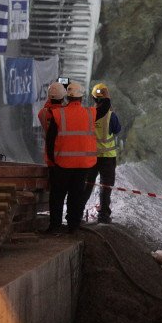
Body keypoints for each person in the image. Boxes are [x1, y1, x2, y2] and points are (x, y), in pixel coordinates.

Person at [45, 81, 101, 233]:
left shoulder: (58, 114)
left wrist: (53, 160)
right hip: (83, 165)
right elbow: (104, 108)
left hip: (62, 164)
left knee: (57, 196)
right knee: (76, 196)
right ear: (81, 98)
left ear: (67, 98)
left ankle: (55, 226)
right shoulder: (90, 113)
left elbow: (50, 142)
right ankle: (73, 227)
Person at [82, 83, 121, 224]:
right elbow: (117, 130)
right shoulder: (112, 116)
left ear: (93, 98)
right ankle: (103, 215)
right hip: (108, 158)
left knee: (87, 185)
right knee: (105, 187)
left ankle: (78, 211)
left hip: (91, 157)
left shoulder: (88, 114)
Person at [38, 82, 67, 234]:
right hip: (65, 158)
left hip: (51, 158)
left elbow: (46, 108)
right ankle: (68, 222)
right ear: (63, 98)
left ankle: (54, 224)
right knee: (67, 192)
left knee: (55, 194)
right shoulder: (64, 113)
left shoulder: (43, 113)